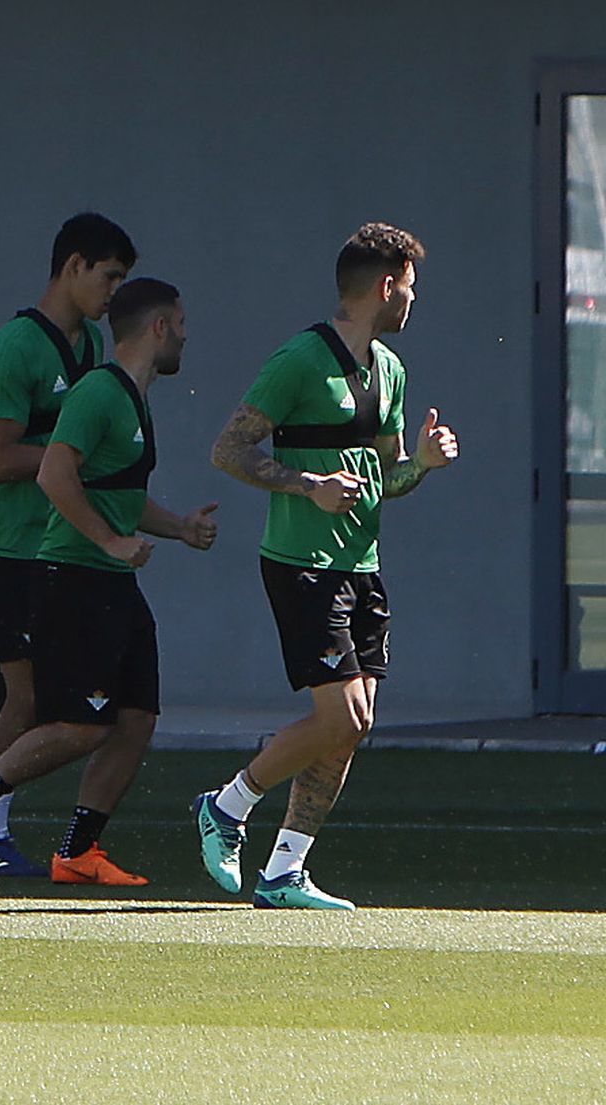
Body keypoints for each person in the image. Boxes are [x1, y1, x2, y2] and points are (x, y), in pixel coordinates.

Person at [194, 222, 457, 910]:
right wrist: (306, 485)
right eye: (411, 286)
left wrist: (421, 465)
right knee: (339, 715)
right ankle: (226, 804)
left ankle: (285, 870)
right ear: (384, 284)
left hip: (361, 564)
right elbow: (228, 449)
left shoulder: (390, 371)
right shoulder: (299, 360)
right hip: (301, 562)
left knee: (357, 720)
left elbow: (386, 478)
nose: (413, 300)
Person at [0, 279, 217, 882]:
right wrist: (109, 542)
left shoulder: (134, 397)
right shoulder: (98, 391)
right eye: (182, 321)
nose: (189, 334)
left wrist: (180, 528)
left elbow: (118, 493)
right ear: (159, 327)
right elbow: (54, 476)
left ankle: (77, 851)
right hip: (76, 577)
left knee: (137, 717)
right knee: (80, 723)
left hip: (113, 582)